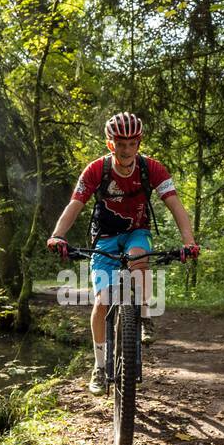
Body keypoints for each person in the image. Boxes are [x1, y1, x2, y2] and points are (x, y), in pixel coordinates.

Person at [47, 112, 200, 395]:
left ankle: (143, 316)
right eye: (120, 143)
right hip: (103, 237)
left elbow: (176, 205)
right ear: (110, 144)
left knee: (139, 257)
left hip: (136, 231)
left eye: (132, 143)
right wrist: (58, 235)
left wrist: (189, 241)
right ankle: (99, 366)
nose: (126, 149)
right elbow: (75, 204)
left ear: (139, 143)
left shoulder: (151, 168)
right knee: (102, 300)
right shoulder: (96, 170)